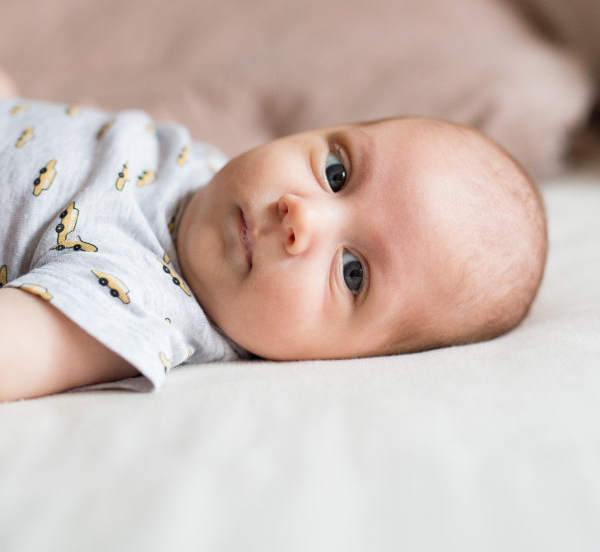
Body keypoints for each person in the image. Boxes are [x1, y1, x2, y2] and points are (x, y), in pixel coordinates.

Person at [0, 97, 547, 402]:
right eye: (337, 172)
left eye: (353, 272)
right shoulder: (209, 173)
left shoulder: (135, 301)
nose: (301, 215)